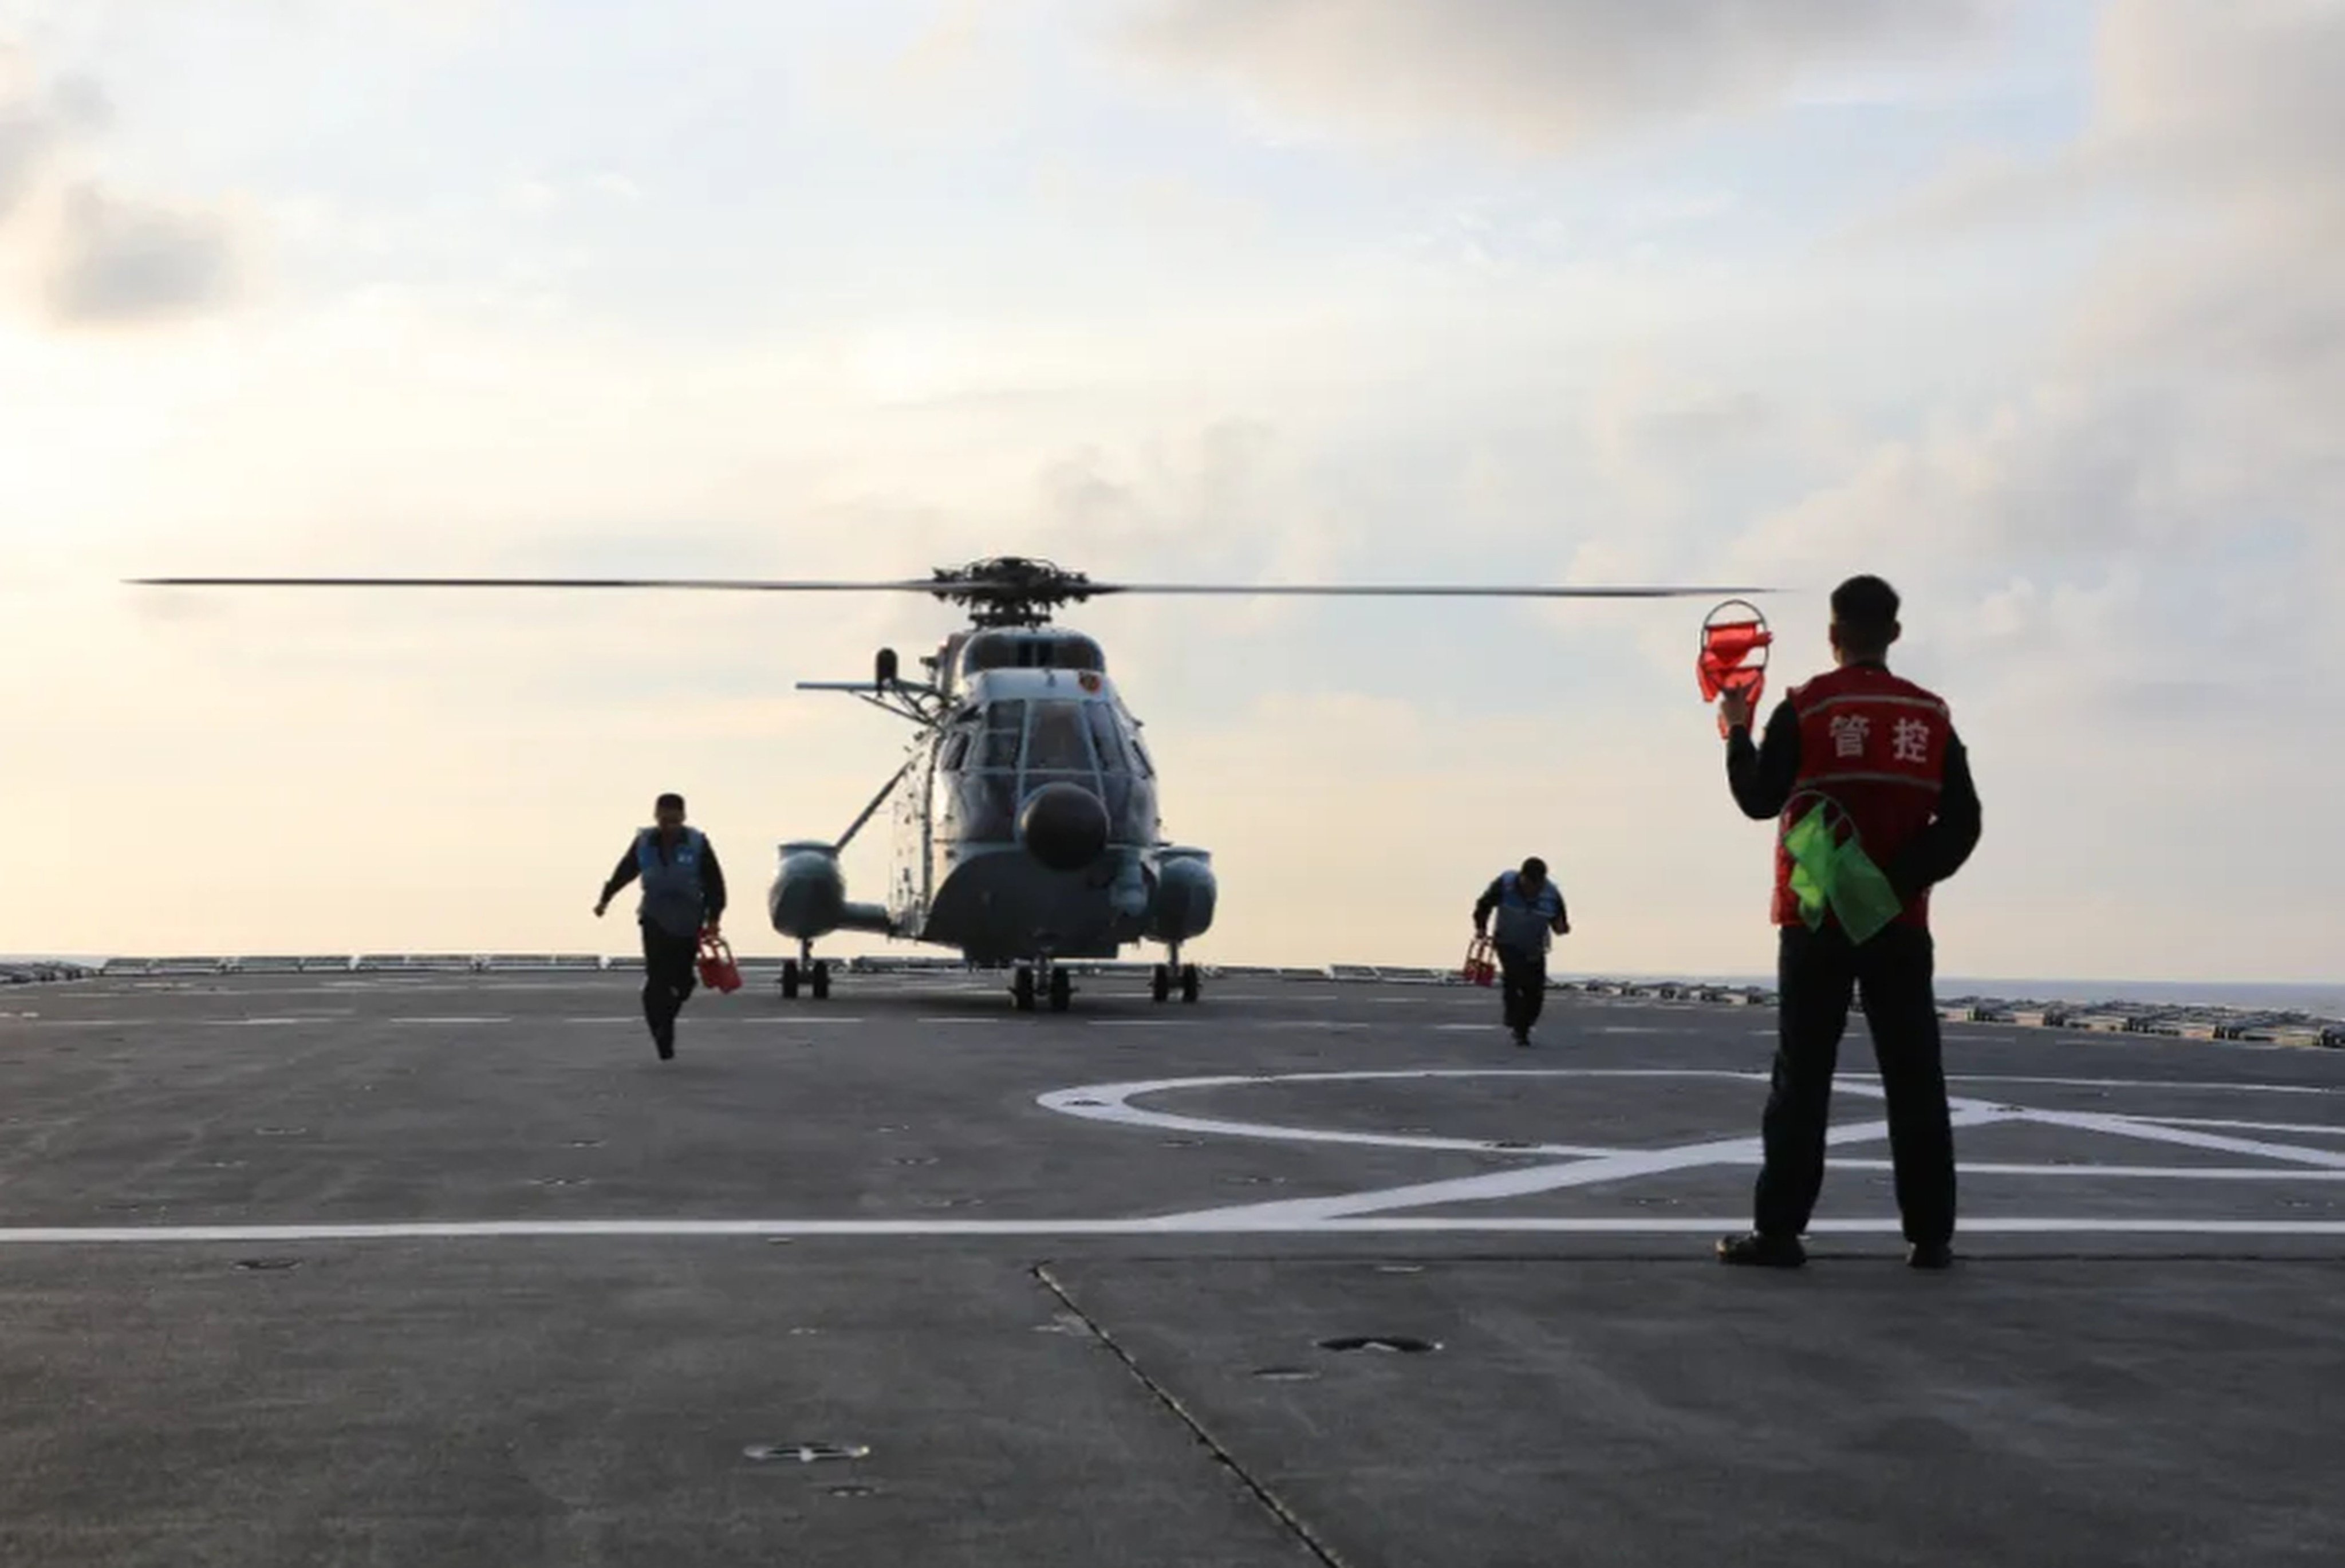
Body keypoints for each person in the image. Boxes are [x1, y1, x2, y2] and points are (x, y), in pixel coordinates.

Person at [1713, 575, 1981, 1271]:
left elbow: (1757, 798)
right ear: (1893, 633)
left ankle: (1779, 1231)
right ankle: (1931, 1235)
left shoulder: (1804, 707)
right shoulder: (1932, 716)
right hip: (1899, 923)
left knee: (1803, 1077)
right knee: (1914, 1075)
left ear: (1832, 634)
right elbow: (1963, 823)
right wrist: (1893, 883)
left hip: (1814, 916)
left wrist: (1738, 728)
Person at [594, 793, 726, 1060]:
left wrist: (714, 920)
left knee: (684, 982)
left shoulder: (698, 843)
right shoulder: (644, 842)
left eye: (675, 821)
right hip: (654, 917)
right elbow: (626, 871)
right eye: (665, 820)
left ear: (683, 818)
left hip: (689, 920)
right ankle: (661, 1032)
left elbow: (715, 883)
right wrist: (605, 899)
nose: (669, 826)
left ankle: (666, 1019)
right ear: (656, 817)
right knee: (657, 979)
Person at [1472, 857, 1571, 1047]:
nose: (1532, 889)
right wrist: (1481, 927)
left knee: (1535, 992)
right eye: (1529, 884)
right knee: (1514, 978)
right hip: (1507, 942)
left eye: (1537, 885)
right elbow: (1484, 905)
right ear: (1522, 877)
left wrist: (1562, 928)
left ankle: (1522, 1028)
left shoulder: (1552, 894)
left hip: (1535, 946)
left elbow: (1559, 924)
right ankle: (1514, 1018)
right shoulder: (1505, 884)